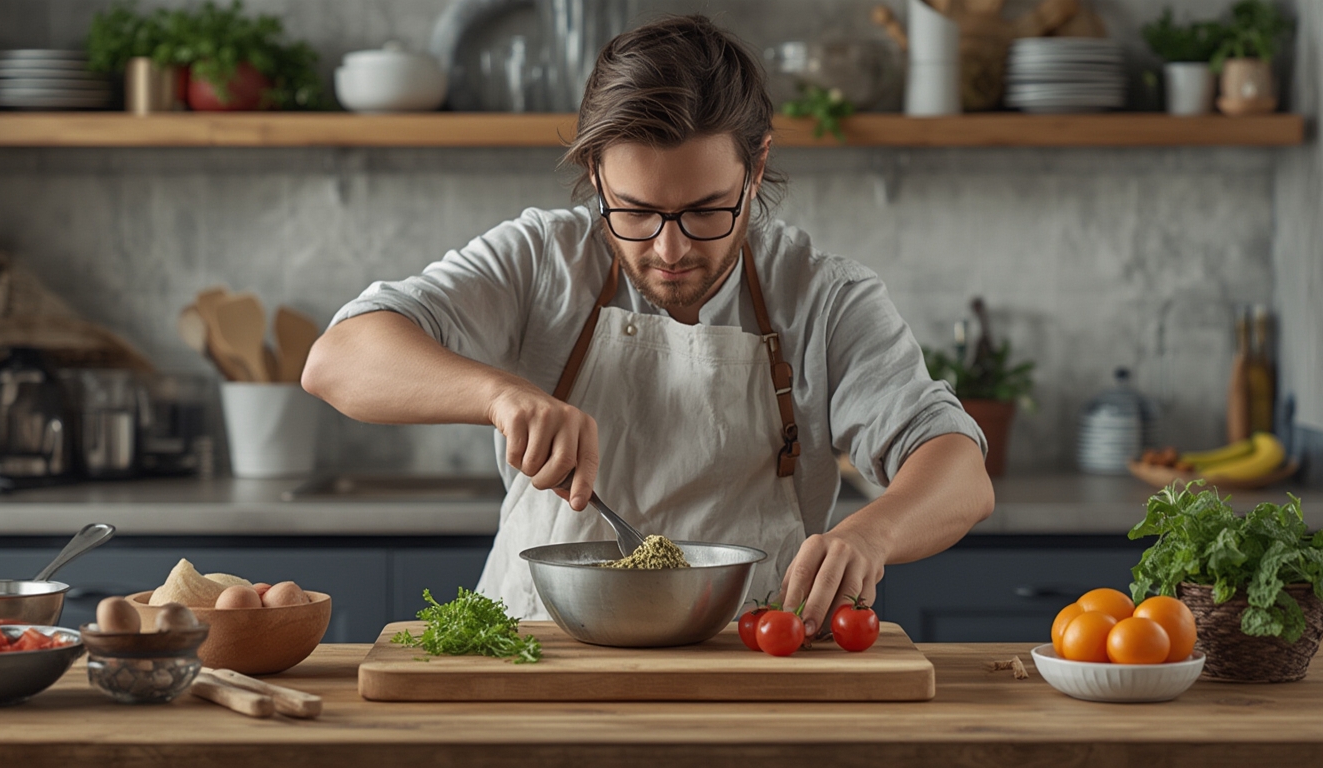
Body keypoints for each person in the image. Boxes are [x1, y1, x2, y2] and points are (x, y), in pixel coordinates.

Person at [303, 14, 994, 638]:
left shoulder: (822, 296)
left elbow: (959, 469)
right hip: (536, 654)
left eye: (705, 210)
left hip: (745, 658)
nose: (669, 250)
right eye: (633, 212)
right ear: (596, 174)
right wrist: (497, 395)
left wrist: (871, 535)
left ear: (756, 168)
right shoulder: (541, 260)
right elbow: (338, 359)